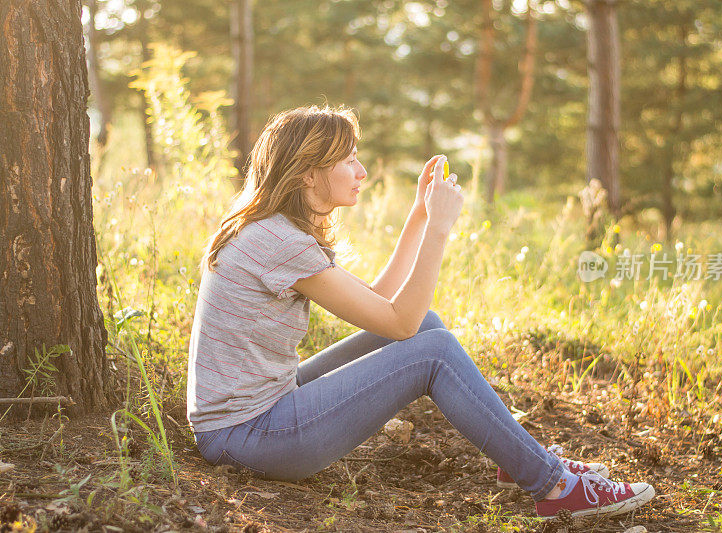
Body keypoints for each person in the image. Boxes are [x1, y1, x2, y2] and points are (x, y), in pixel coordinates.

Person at [186, 105, 655, 520]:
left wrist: (419, 218)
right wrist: (441, 232)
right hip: (249, 435)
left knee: (429, 329)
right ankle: (553, 486)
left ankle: (519, 456)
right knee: (430, 348)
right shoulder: (279, 242)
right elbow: (398, 321)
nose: (362, 171)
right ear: (309, 172)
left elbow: (377, 303)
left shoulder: (272, 232)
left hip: (253, 417)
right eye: (349, 160)